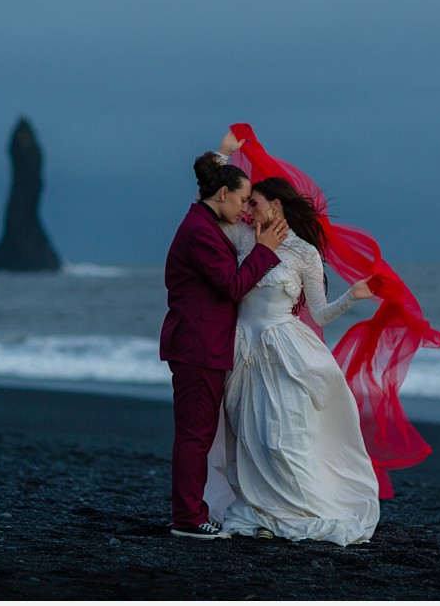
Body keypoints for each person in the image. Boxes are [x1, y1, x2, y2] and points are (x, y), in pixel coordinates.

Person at [205, 176, 381, 547]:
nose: (247, 209)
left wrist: (353, 295)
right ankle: (259, 509)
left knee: (281, 436)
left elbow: (319, 314)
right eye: (246, 202)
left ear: (277, 205)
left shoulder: (305, 253)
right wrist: (220, 155)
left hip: (284, 350)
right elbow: (212, 199)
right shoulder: (239, 237)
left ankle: (299, 508)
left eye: (255, 202)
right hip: (240, 349)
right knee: (244, 437)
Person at [160, 133, 289, 539]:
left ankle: (192, 512)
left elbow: (206, 181)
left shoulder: (202, 219)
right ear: (222, 194)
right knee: (195, 434)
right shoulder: (200, 231)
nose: (245, 209)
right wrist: (264, 250)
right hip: (198, 343)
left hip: (202, 342)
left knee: (197, 432)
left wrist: (224, 152)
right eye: (241, 199)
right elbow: (232, 286)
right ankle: (189, 519)